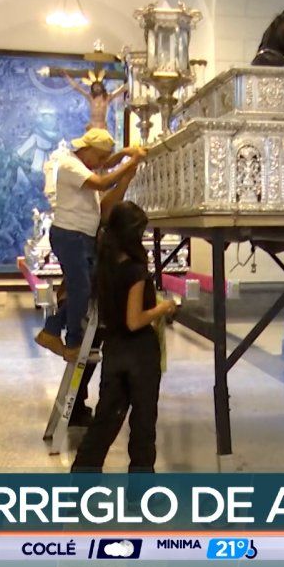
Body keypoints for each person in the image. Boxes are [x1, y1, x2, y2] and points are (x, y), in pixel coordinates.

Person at [71, 201, 177, 473]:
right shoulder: (135, 271)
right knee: (143, 424)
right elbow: (134, 320)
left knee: (105, 421)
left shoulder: (103, 267)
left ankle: (81, 482)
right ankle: (140, 493)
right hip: (139, 353)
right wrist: (163, 308)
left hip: (114, 350)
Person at [35, 129, 145, 364]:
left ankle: (51, 330)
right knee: (80, 290)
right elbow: (103, 181)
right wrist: (132, 161)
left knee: (85, 289)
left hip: (82, 237)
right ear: (86, 150)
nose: (102, 164)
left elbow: (106, 170)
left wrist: (125, 159)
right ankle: (72, 342)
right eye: (99, 157)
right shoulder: (70, 165)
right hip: (70, 235)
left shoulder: (83, 167)